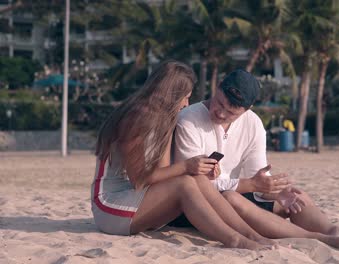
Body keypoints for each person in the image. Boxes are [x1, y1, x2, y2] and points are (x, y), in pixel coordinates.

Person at [174, 69, 339, 250]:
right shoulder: (189, 120)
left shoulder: (253, 123)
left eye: (231, 112)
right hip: (199, 203)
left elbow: (256, 176)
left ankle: (333, 230)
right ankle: (318, 238)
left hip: (235, 193)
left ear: (246, 110)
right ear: (217, 87)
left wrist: (273, 191)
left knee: (294, 197)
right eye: (219, 103)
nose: (220, 114)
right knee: (231, 197)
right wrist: (251, 185)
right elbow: (196, 182)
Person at [91, 60, 279, 250]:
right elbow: (139, 180)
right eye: (185, 97)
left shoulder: (165, 120)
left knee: (196, 179)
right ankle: (234, 239)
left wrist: (198, 170)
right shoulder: (136, 117)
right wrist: (187, 166)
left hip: (137, 198)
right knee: (185, 182)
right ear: (170, 94)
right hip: (110, 204)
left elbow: (163, 172)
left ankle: (249, 234)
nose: (187, 103)